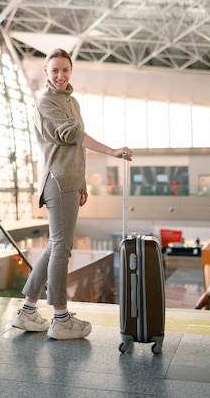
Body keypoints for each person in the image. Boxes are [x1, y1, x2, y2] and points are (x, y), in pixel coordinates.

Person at [11, 48, 133, 340]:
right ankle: (61, 318)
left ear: (71, 70)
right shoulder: (45, 102)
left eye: (65, 70)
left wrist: (82, 184)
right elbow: (73, 136)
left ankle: (27, 311)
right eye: (54, 71)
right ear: (45, 72)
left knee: (55, 246)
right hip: (57, 180)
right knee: (62, 248)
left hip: (68, 180)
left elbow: (75, 150)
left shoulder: (72, 103)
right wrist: (113, 150)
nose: (60, 76)